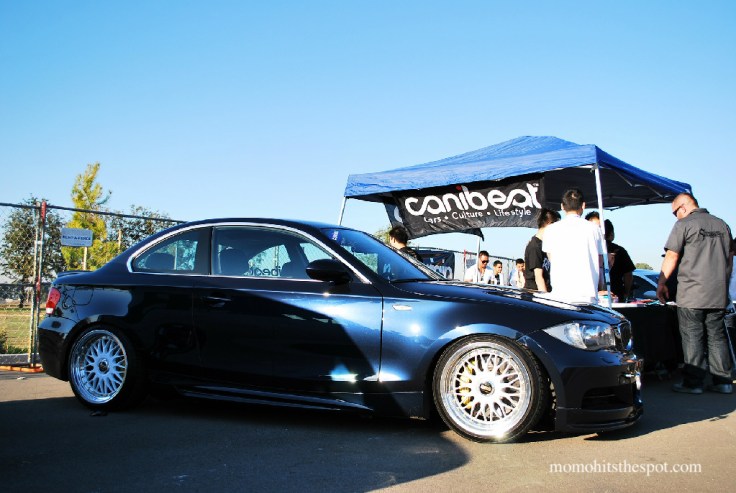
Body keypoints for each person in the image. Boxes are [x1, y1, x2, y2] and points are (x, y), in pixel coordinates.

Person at [656, 193, 733, 394]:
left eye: (675, 213)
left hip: (691, 292)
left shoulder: (684, 225)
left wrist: (661, 283)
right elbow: (729, 259)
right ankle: (723, 382)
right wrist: (723, 283)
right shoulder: (722, 225)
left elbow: (672, 255)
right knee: (717, 336)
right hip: (717, 292)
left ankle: (693, 383)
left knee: (692, 337)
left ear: (682, 207)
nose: (675, 216)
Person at [542, 188, 604, 303]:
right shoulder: (595, 229)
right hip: (587, 293)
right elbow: (600, 261)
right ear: (583, 205)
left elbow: (551, 258)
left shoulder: (550, 230)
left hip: (560, 293)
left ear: (562, 206)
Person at [523, 208, 560, 292]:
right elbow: (538, 277)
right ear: (549, 223)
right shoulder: (535, 246)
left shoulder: (545, 244)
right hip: (535, 293)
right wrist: (545, 298)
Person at [604, 219, 635, 302]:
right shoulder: (620, 251)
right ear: (611, 234)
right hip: (616, 295)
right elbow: (628, 275)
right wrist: (626, 293)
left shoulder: (586, 250)